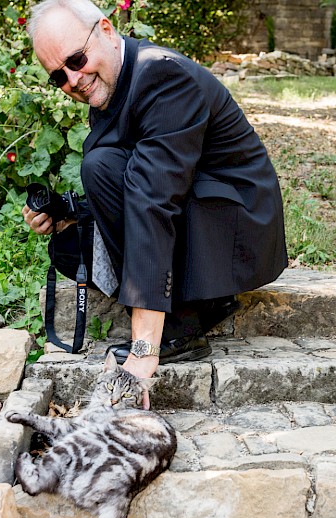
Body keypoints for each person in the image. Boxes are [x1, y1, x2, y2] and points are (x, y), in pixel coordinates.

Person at [23, 0, 287, 381]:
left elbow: (153, 199)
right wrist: (67, 215)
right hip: (193, 198)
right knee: (95, 176)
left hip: (235, 225)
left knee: (106, 170)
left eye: (76, 60)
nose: (73, 80)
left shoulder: (162, 74)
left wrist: (145, 346)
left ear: (107, 31)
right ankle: (188, 303)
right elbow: (127, 172)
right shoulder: (110, 79)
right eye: (58, 76)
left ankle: (183, 324)